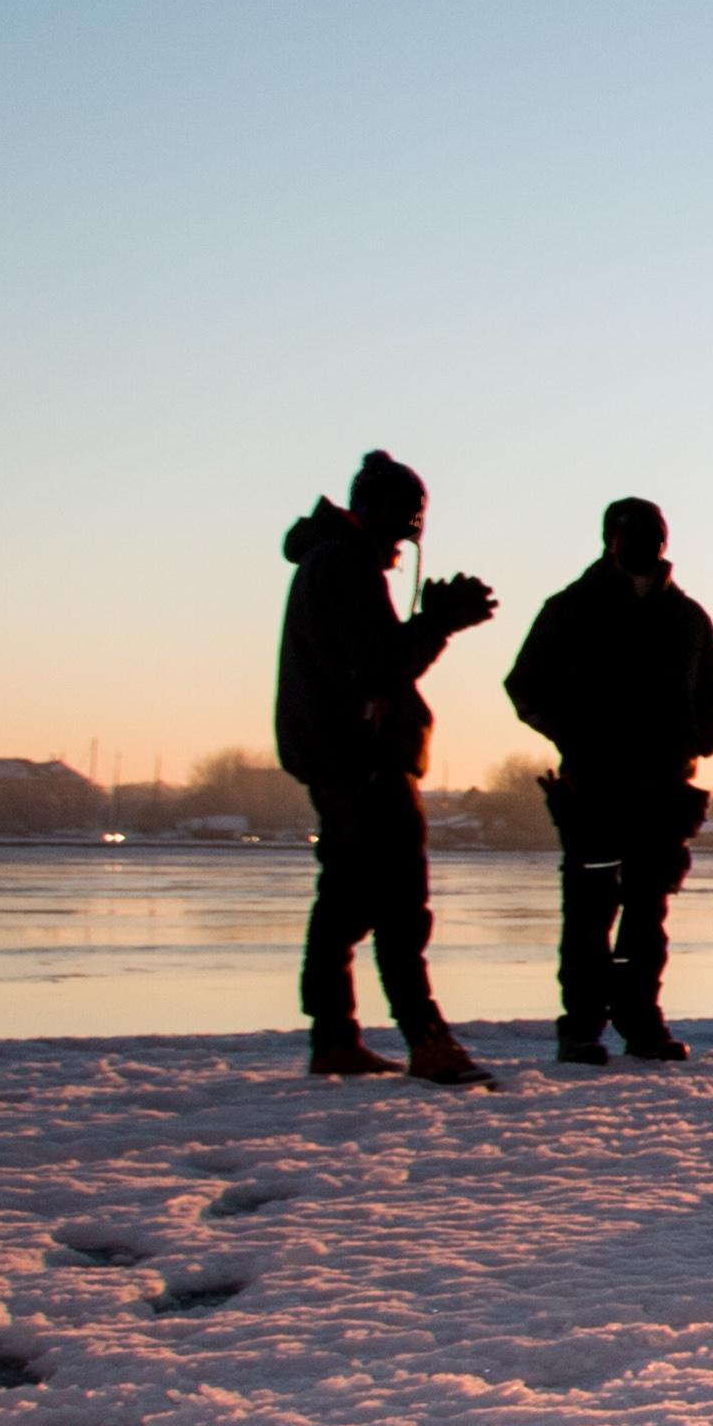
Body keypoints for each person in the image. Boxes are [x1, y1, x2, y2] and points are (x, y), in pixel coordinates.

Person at [273, 448, 501, 1084]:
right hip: (362, 765)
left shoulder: (332, 563)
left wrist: (429, 625)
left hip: (343, 762)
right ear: (381, 514)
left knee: (345, 903)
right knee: (399, 905)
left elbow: (371, 662)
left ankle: (335, 1038)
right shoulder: (343, 566)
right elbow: (378, 667)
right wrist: (437, 624)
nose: (406, 541)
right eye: (405, 524)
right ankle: (424, 1040)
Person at [504, 496, 713, 1065]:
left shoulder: (687, 618)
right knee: (589, 912)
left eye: (653, 536)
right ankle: (581, 1027)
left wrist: (699, 741)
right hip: (595, 793)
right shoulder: (570, 610)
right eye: (630, 535)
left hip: (662, 796)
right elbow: (524, 688)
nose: (643, 546)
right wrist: (576, 739)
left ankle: (640, 1021)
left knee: (645, 914)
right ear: (609, 539)